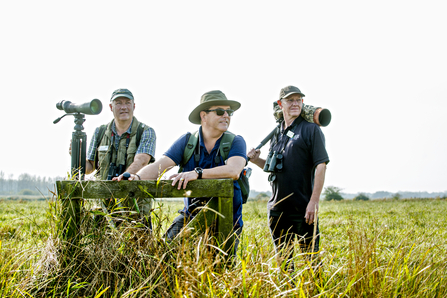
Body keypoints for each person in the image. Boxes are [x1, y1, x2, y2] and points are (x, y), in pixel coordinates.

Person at [115, 90, 247, 252]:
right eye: (220, 111)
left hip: (227, 220)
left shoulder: (236, 141)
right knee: (163, 255)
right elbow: (161, 165)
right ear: (203, 116)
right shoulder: (187, 142)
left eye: (229, 112)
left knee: (221, 270)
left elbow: (234, 170)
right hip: (190, 216)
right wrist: (136, 177)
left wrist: (197, 173)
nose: (226, 116)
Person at [248, 85, 329, 270]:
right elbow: (272, 167)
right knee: (284, 263)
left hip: (303, 209)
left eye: (298, 100)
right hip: (277, 209)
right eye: (290, 100)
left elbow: (321, 166)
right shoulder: (277, 132)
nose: (295, 103)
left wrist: (313, 201)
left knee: (312, 262)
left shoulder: (311, 130)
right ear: (280, 104)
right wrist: (255, 160)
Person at [69, 88, 156, 224]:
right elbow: (89, 168)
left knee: (138, 244)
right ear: (111, 107)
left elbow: (141, 162)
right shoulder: (100, 132)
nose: (123, 107)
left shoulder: (146, 131)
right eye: (118, 103)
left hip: (135, 207)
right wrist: (77, 155)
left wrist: (122, 179)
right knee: (100, 244)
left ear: (134, 106)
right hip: (103, 207)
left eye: (127, 103)